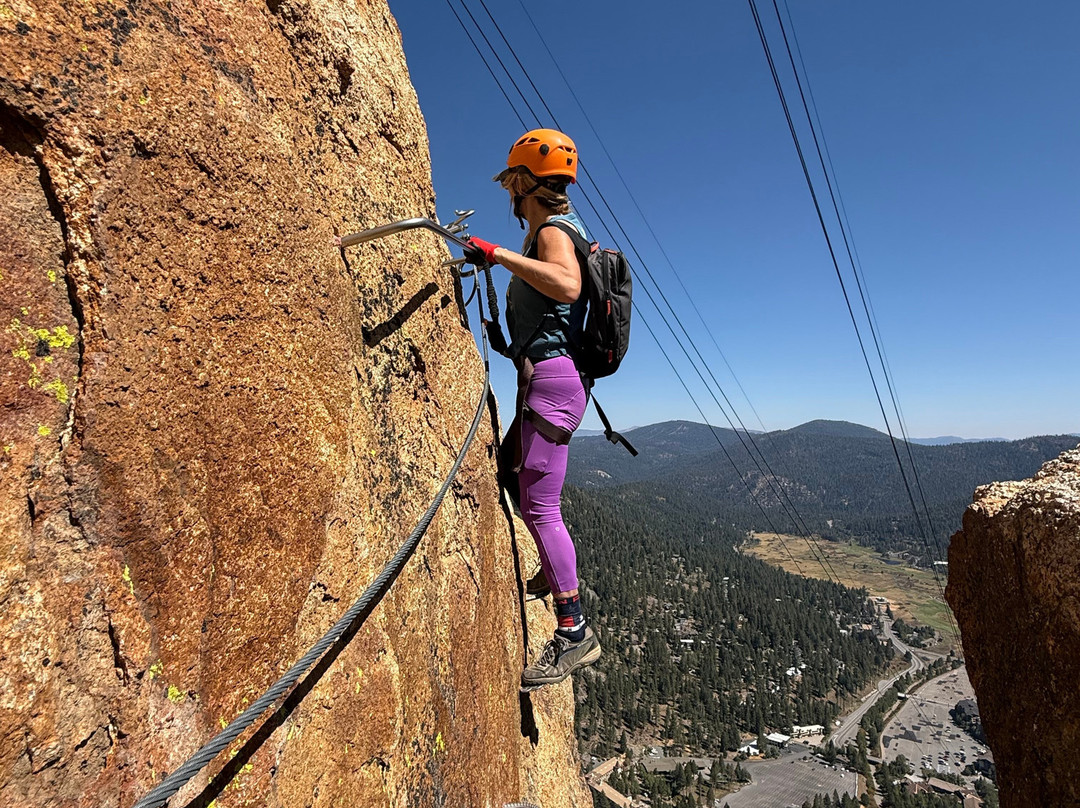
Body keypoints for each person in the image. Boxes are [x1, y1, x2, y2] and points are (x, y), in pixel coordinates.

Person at [462, 128, 601, 692]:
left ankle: (574, 631)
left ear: (523, 183)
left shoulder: (551, 233)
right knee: (510, 474)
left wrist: (499, 254)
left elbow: (566, 285)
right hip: (552, 380)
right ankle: (552, 567)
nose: (508, 195)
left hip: (553, 385)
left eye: (510, 185)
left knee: (540, 506)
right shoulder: (561, 230)